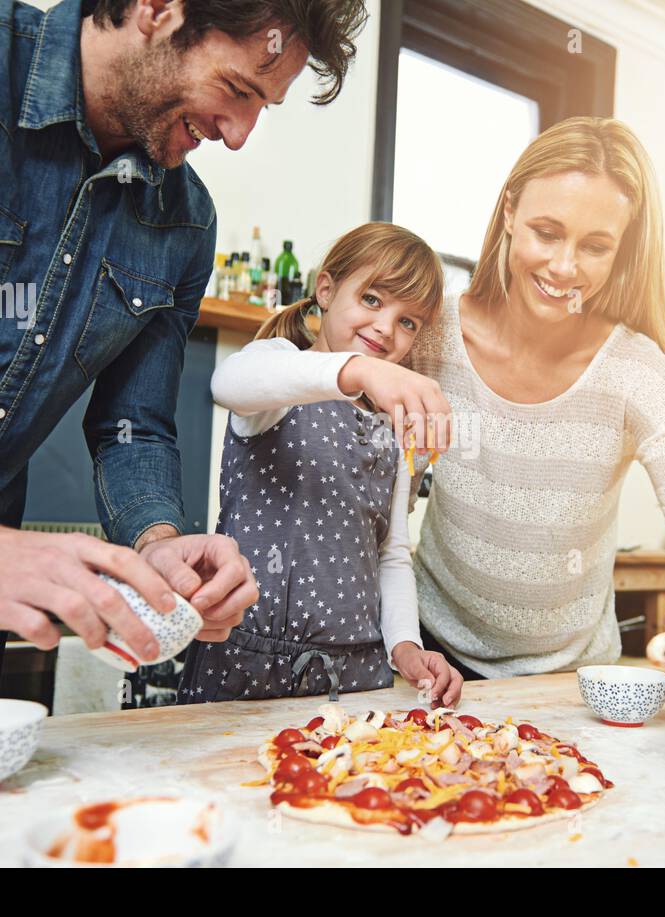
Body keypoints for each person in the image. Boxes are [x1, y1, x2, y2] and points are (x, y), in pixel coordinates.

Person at [0, 0, 368, 736]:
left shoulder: (184, 223)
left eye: (263, 108)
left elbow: (135, 425)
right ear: (156, 10)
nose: (241, 135)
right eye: (239, 90)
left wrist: (158, 540)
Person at [406, 116, 665, 680]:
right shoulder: (431, 334)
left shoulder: (635, 369)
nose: (564, 267)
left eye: (595, 246)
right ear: (508, 214)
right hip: (429, 658)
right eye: (546, 233)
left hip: (572, 680)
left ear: (620, 252)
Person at [180, 223, 463, 707]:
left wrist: (406, 647)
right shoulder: (281, 371)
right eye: (372, 300)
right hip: (246, 662)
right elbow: (230, 383)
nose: (385, 329)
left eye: (408, 322)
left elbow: (392, 553)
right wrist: (359, 370)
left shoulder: (391, 426)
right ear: (326, 290)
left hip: (357, 674)